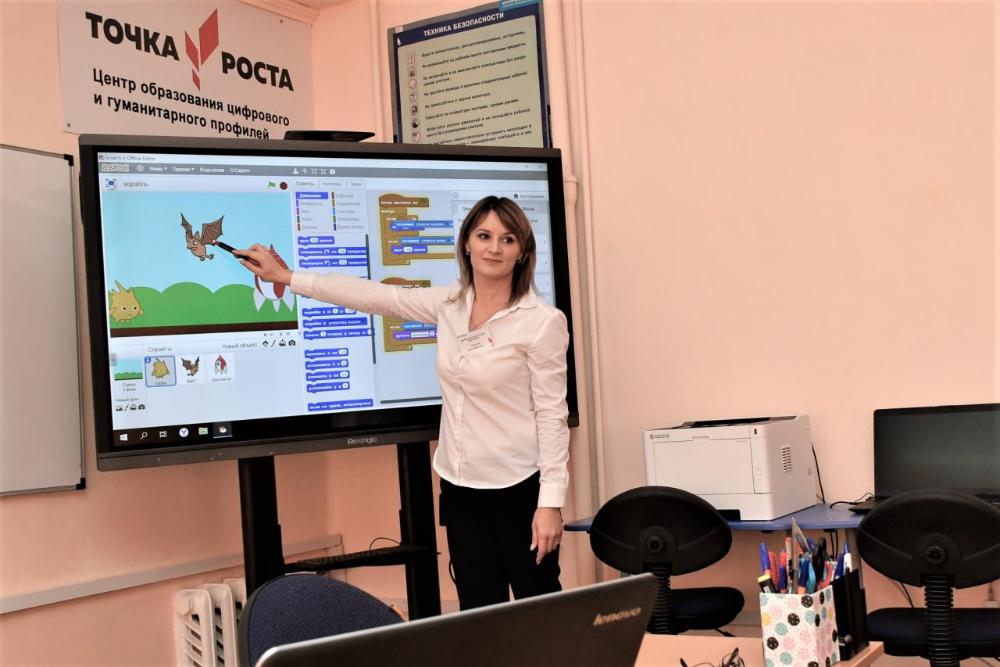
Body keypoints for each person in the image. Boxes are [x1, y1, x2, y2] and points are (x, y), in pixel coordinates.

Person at [237, 196, 570, 610]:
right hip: (461, 490)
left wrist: (550, 503)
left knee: (541, 614)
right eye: (484, 236)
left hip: (518, 491)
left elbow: (552, 416)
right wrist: (286, 276)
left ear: (522, 251)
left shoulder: (541, 322)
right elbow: (374, 297)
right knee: (479, 617)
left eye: (508, 239)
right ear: (467, 243)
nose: (494, 248)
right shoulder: (450, 304)